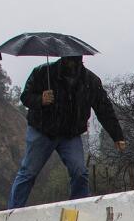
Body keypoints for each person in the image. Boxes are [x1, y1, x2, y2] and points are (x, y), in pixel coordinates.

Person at [8, 55, 127, 209]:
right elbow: (25, 97)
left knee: (80, 172)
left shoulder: (91, 81)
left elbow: (104, 110)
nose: (71, 64)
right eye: (69, 60)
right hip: (42, 131)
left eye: (75, 61)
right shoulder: (43, 72)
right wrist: (40, 100)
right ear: (63, 59)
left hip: (70, 135)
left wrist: (117, 136)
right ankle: (13, 211)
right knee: (28, 173)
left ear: (80, 60)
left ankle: (78, 208)